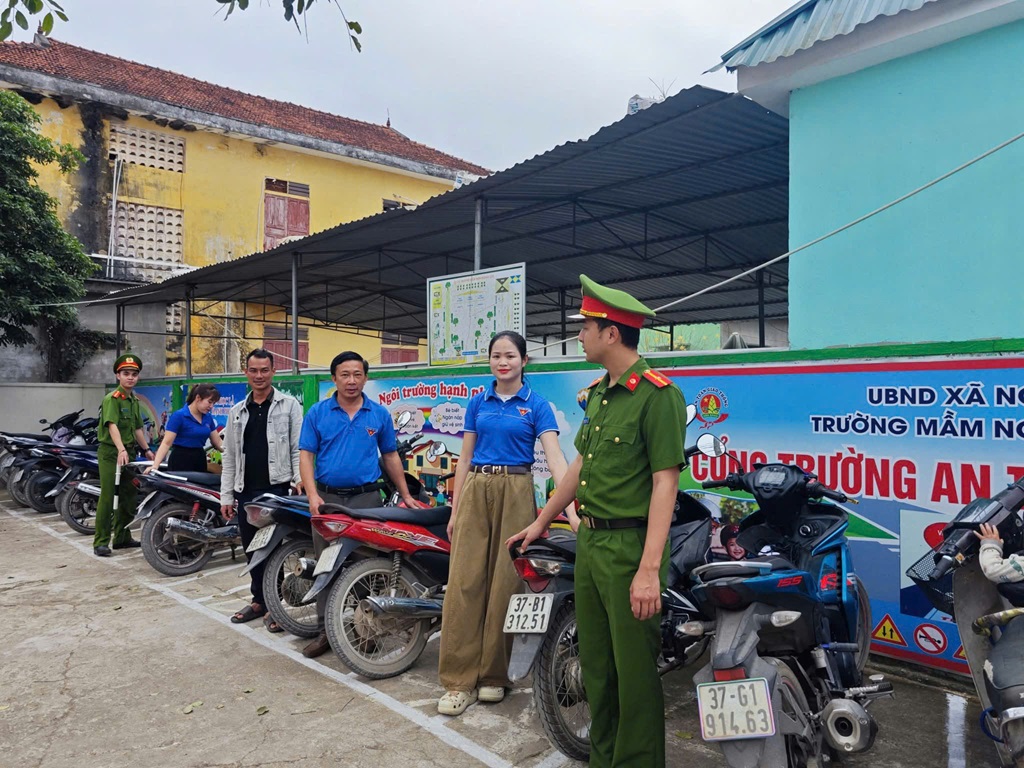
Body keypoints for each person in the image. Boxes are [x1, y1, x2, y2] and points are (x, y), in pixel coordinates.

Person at [508, 274, 687, 767]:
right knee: (598, 670)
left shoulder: (658, 396)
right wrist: (541, 523)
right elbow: (579, 468)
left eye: (585, 327)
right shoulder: (601, 395)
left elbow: (665, 484)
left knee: (634, 676)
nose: (580, 335)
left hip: (631, 550)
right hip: (590, 544)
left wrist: (649, 569)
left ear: (612, 333)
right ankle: (605, 759)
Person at [436, 331, 570, 716]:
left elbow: (556, 460)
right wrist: (456, 507)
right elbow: (463, 458)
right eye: (496, 356)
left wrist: (572, 510)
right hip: (477, 487)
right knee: (464, 581)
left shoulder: (538, 406)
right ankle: (458, 681)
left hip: (517, 488)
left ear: (524, 361)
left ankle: (495, 675)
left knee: (506, 584)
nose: (502, 362)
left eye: (510, 355)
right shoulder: (477, 402)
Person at [299, 350, 423, 658]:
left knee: (367, 565)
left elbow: (391, 456)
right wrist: (313, 495)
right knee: (326, 565)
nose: (351, 381)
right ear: (334, 378)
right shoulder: (317, 412)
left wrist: (406, 495)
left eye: (357, 374)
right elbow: (306, 455)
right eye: (345, 375)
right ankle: (325, 632)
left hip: (367, 500)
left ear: (365, 378)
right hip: (328, 501)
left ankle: (366, 630)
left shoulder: (378, 414)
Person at [219, 349, 304, 628]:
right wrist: (226, 495)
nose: (259, 376)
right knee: (250, 548)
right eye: (253, 370)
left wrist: (297, 481)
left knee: (273, 549)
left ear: (273, 372)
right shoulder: (236, 412)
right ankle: (259, 601)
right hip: (245, 490)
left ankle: (275, 605)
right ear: (246, 372)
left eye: (264, 370)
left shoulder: (289, 405)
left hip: (276, 491)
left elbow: (297, 449)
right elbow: (229, 456)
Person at [94, 354, 155, 557]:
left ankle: (121, 537)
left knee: (129, 496)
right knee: (108, 495)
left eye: (134, 374)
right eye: (126, 373)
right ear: (117, 375)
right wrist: (120, 449)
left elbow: (138, 428)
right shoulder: (112, 399)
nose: (130, 377)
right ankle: (101, 541)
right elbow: (111, 425)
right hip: (111, 452)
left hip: (129, 452)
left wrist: (146, 449)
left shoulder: (133, 400)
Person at [147, 383, 223, 473]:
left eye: (213, 403)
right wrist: (155, 466)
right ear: (198, 398)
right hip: (180, 459)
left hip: (199, 459)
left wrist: (236, 455)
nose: (211, 406)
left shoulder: (207, 418)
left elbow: (217, 442)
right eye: (209, 402)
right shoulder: (179, 416)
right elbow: (166, 443)